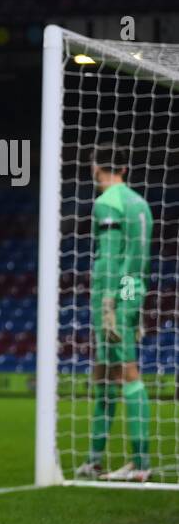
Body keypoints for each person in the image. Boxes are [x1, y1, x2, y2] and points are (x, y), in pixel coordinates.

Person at [76, 146, 154, 482]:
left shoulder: (107, 202)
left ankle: (139, 464)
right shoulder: (141, 204)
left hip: (113, 296)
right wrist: (129, 297)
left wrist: (110, 300)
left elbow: (110, 259)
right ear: (124, 167)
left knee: (125, 372)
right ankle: (95, 461)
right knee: (105, 373)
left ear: (97, 168)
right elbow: (137, 260)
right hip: (131, 290)